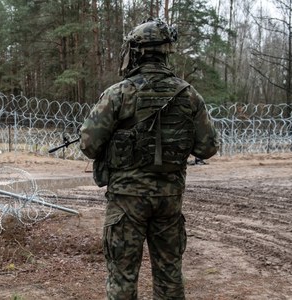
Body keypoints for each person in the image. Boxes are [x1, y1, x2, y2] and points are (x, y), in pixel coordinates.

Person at [79, 18, 219, 299]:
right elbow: (207, 148)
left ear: (136, 52)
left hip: (127, 201)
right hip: (169, 199)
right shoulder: (189, 95)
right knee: (169, 274)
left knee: (122, 276)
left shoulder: (119, 93)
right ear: (166, 52)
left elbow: (89, 145)